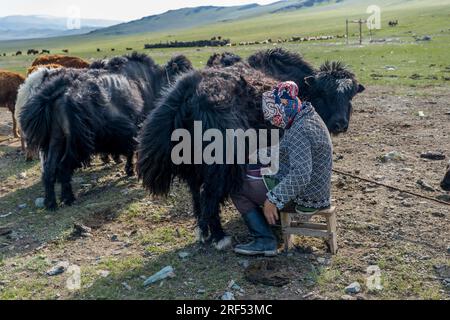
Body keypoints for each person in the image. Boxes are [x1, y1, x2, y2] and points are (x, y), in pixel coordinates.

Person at [231, 81, 333, 256]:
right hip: (316, 189)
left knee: (236, 187)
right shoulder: (306, 116)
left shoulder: (301, 130)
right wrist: (257, 154)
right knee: (255, 172)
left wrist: (273, 199)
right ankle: (271, 223)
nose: (273, 121)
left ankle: (264, 240)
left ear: (284, 106)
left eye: (273, 116)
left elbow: (300, 175)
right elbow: (284, 149)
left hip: (306, 196)